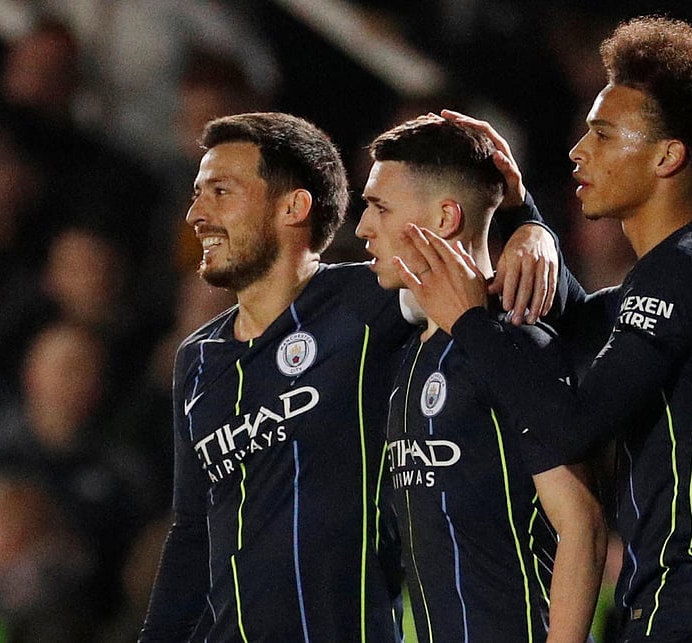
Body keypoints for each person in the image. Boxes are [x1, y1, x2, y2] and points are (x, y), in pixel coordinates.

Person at [396, 17, 692, 642]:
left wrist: (468, 322)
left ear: (668, 156)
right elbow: (574, 325)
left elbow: (571, 424)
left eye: (603, 134)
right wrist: (524, 216)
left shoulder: (689, 272)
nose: (577, 151)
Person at [139, 111, 561, 641]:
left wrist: (531, 226)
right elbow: (191, 532)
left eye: (220, 192)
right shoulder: (197, 358)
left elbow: (487, 291)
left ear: (293, 207)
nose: (196, 214)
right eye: (198, 194)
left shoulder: (372, 301)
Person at [355, 114, 606, 642]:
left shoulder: (516, 344)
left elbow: (581, 525)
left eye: (380, 207)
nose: (363, 228)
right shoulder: (410, 356)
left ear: (445, 217)